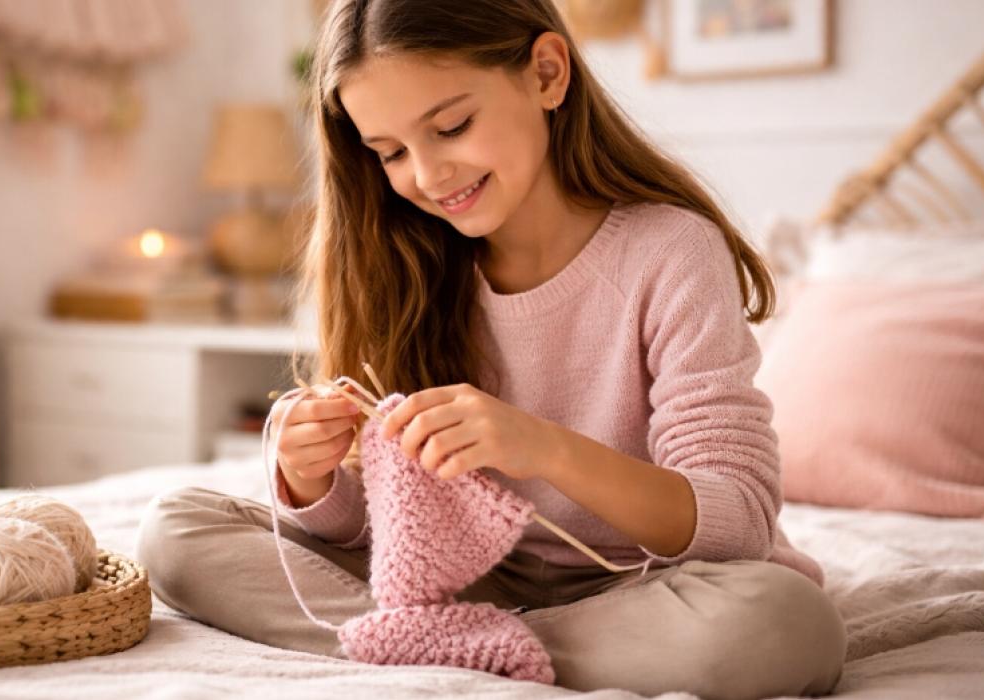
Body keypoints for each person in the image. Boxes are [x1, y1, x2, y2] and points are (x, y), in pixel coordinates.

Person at [137, 1, 846, 696]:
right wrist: (312, 480)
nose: (429, 174)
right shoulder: (405, 260)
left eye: (451, 126)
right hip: (467, 578)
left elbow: (740, 521)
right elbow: (387, 532)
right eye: (390, 153)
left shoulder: (670, 251)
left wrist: (543, 447)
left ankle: (440, 641)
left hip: (646, 587)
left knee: (781, 624)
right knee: (174, 531)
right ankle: (472, 639)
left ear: (546, 73)